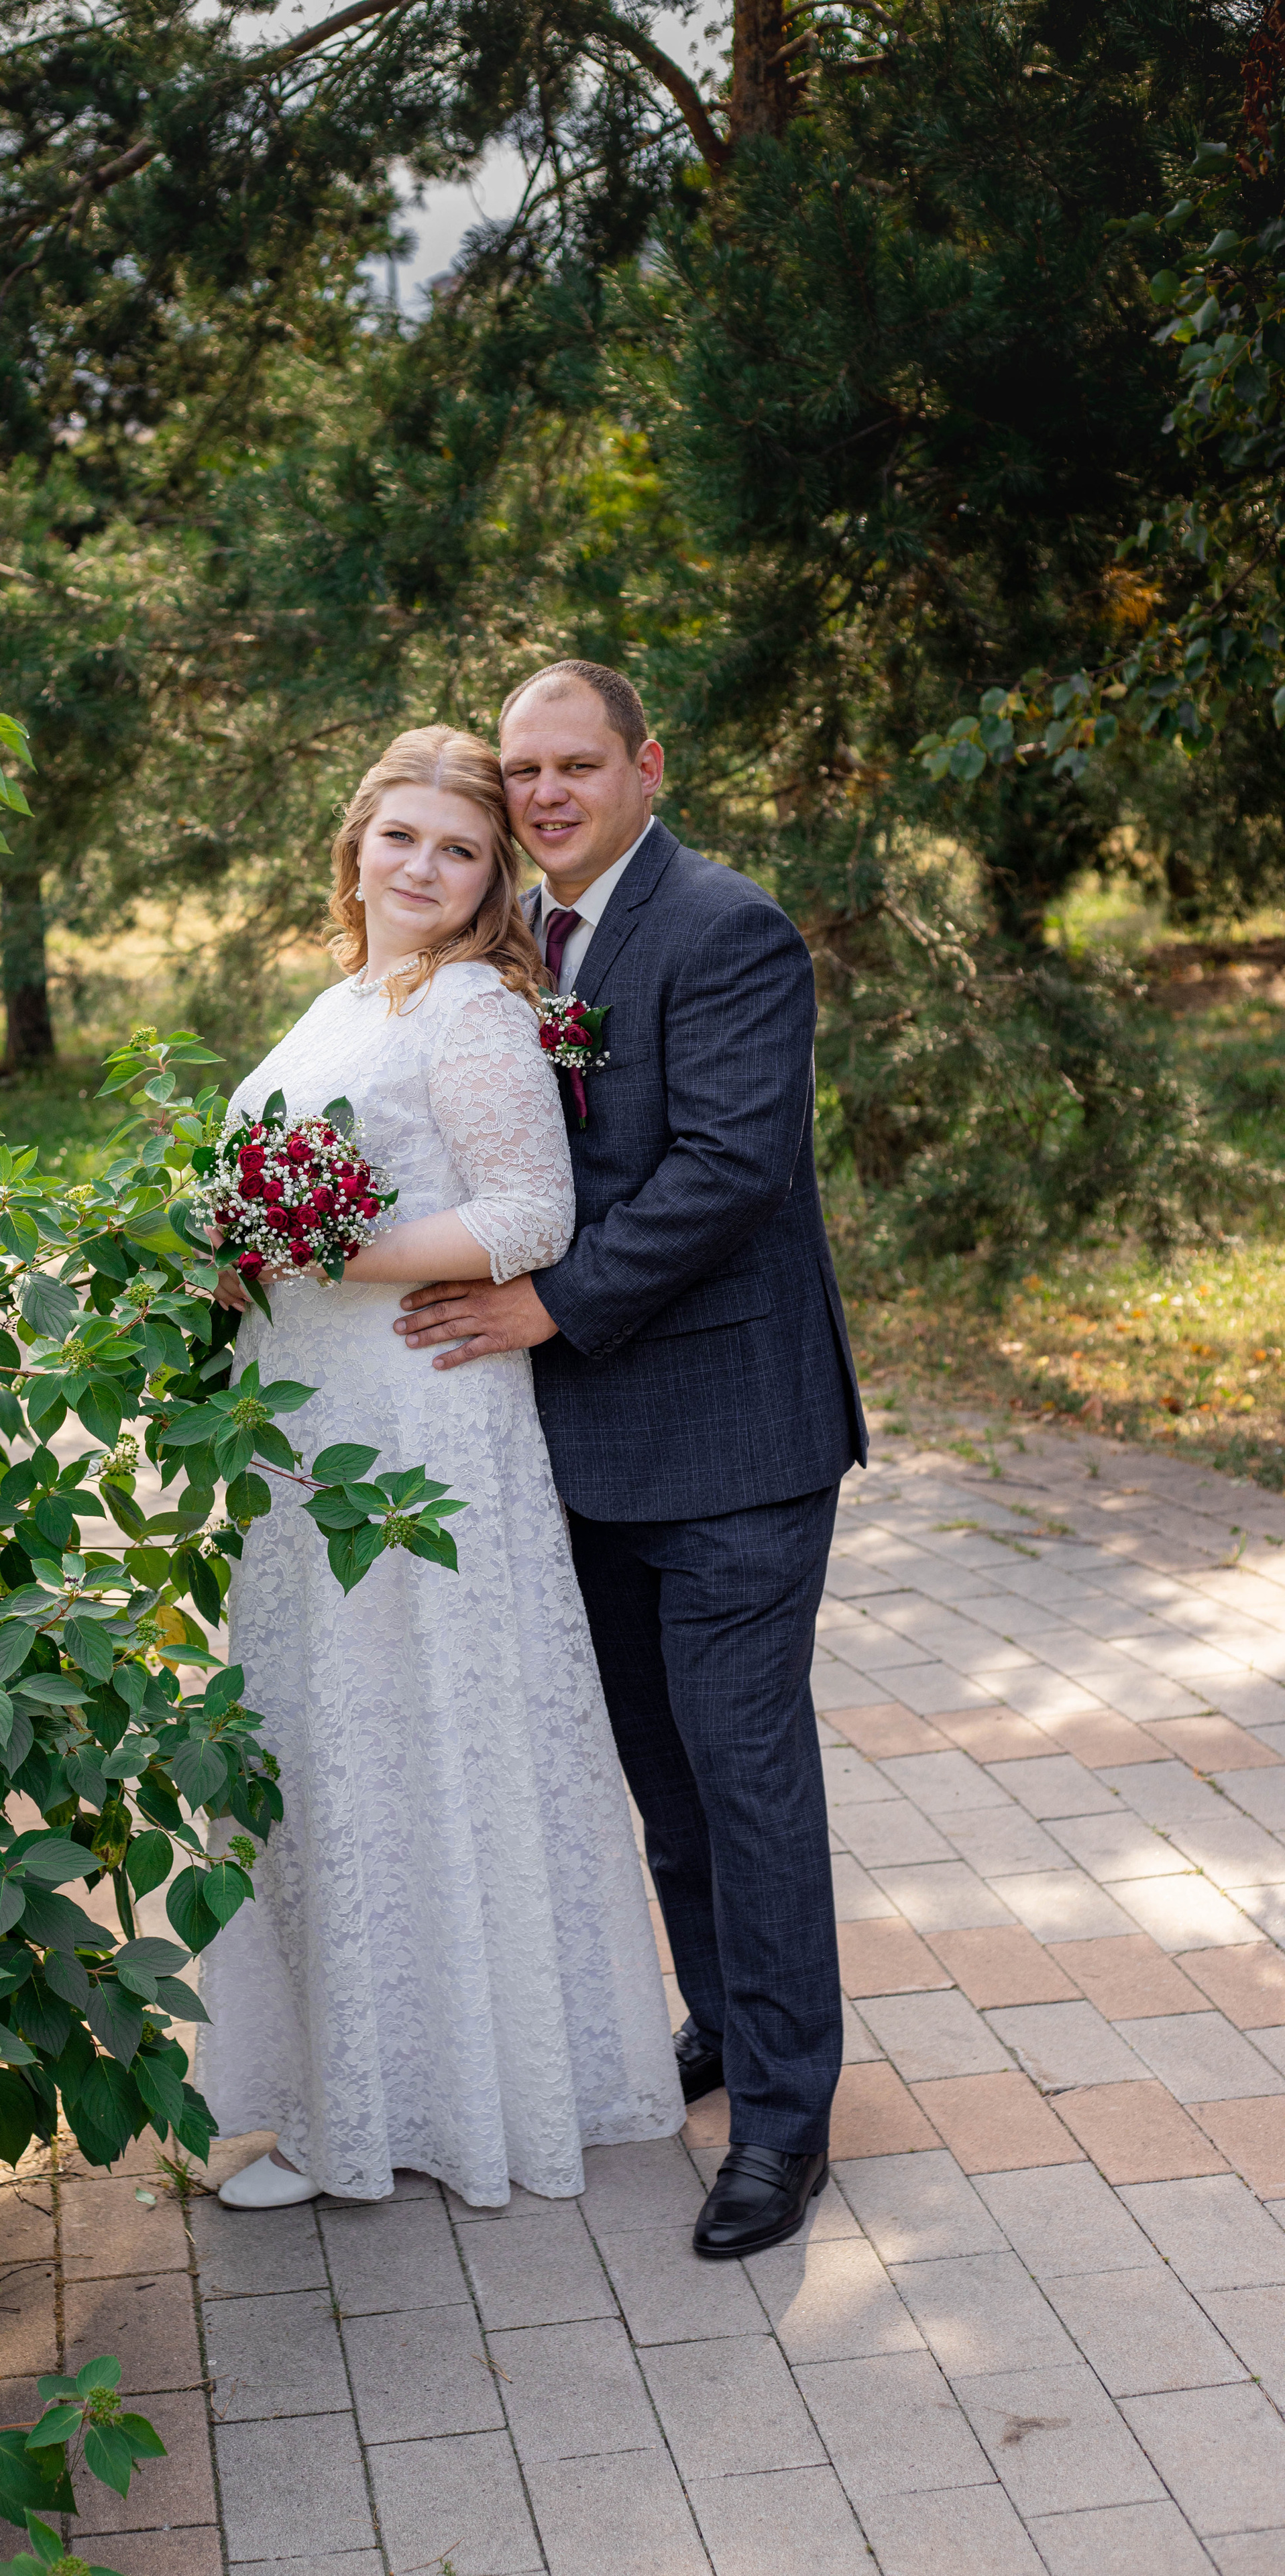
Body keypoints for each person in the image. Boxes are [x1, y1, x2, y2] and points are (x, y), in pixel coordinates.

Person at [396, 663, 867, 2258]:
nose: (540, 795)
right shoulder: (523, 941)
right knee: (664, 1787)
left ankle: (785, 2126)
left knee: (743, 1782)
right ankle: (729, 2028)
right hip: (588, 1441)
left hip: (735, 1436)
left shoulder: (724, 926)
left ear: (644, 764)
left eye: (571, 765)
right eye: (519, 770)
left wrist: (547, 1299)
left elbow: (730, 1167)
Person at [194, 722, 682, 2211]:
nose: (424, 865)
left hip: (411, 1415)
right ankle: (359, 2083)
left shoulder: (467, 1007)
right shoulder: (349, 995)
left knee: (397, 1746)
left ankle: (385, 2121)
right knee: (324, 1744)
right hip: (310, 1421)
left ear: (489, 883)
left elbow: (532, 1213)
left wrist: (320, 1246)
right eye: (400, 836)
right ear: (355, 844)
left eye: (459, 849)